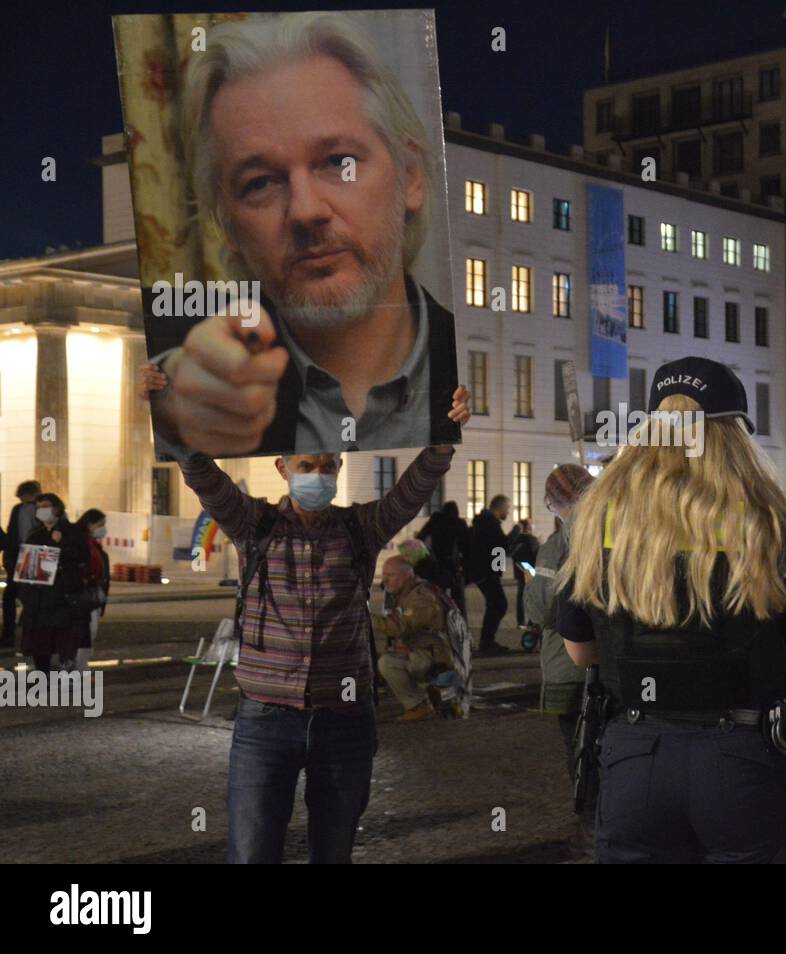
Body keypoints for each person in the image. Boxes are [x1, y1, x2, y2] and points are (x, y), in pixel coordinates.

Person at [555, 357, 786, 864]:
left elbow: (580, 654)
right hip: (741, 760)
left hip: (635, 758)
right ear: (735, 438)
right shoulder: (774, 523)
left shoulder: (598, 518)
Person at [147, 11, 459, 459]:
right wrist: (173, 402)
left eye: (338, 163)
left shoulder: (464, 369)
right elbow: (173, 382)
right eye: (259, 183)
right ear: (227, 225)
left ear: (410, 177)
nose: (305, 210)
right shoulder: (202, 355)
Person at [180, 386, 469, 864]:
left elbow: (410, 492)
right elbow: (203, 476)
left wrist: (442, 440)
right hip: (265, 719)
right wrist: (174, 412)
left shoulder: (360, 529)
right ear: (283, 468)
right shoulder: (255, 525)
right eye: (307, 466)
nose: (319, 475)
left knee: (333, 851)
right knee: (252, 851)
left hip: (344, 719)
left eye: (328, 466)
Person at [524, 465, 595, 761]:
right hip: (620, 665)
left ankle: (591, 807)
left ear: (557, 502)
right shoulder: (622, 528)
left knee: (581, 755)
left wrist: (532, 586)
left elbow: (541, 610)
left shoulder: (555, 547)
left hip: (571, 666)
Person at [17, 493, 91, 674]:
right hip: (40, 599)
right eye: (39, 506)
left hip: (64, 598)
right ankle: (42, 677)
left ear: (57, 508)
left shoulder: (73, 532)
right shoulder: (35, 535)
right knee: (40, 644)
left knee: (66, 642)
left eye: (46, 505)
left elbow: (81, 557)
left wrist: (59, 544)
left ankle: (68, 676)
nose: (42, 509)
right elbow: (29, 568)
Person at [373, 555, 450, 723]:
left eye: (390, 575)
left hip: (439, 658)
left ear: (407, 575)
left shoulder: (420, 596)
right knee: (389, 657)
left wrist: (367, 618)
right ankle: (434, 694)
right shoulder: (406, 593)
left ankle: (419, 705)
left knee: (387, 663)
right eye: (384, 575)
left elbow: (400, 626)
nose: (385, 580)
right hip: (428, 651)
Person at [467, 495, 519, 656]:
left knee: (496, 604)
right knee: (498, 604)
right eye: (507, 509)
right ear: (500, 507)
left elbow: (499, 548)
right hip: (485, 572)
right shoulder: (489, 523)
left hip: (484, 571)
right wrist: (516, 532)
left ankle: (487, 641)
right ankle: (486, 643)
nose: (508, 512)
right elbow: (501, 546)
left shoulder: (485, 521)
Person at [2, 480, 41, 649]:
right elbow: (12, 534)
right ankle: (12, 633)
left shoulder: (39, 510)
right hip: (19, 557)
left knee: (29, 599)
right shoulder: (18, 509)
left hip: (32, 558)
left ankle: (27, 633)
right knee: (12, 597)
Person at [72, 509, 111, 671]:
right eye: (100, 525)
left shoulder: (95, 546)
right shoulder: (82, 544)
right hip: (85, 596)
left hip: (94, 595)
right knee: (85, 633)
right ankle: (78, 667)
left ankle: (81, 666)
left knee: (90, 633)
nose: (103, 528)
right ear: (89, 525)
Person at [415, 500, 470, 612]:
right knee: (457, 594)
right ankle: (457, 619)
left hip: (435, 564)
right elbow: (467, 545)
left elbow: (421, 537)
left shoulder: (435, 521)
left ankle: (437, 616)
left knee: (437, 592)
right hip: (452, 565)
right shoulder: (459, 523)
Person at [510, 518, 540, 627]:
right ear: (528, 527)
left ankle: (520, 621)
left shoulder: (516, 540)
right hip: (531, 571)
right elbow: (537, 555)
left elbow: (513, 555)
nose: (533, 526)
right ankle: (532, 621)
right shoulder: (532, 539)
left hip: (520, 571)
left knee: (521, 596)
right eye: (532, 524)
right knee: (532, 597)